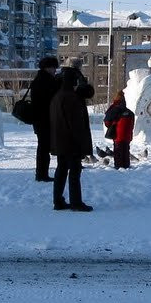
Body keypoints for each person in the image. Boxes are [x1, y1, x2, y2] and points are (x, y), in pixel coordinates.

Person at [50, 68, 94, 211]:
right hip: (71, 142)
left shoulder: (58, 96)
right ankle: (76, 202)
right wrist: (80, 144)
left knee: (61, 170)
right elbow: (76, 124)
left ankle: (58, 200)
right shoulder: (71, 98)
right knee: (74, 172)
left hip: (60, 141)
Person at [28, 57, 61, 182]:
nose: (55, 70)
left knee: (43, 148)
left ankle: (41, 173)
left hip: (40, 120)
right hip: (44, 120)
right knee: (44, 148)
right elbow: (50, 98)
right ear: (48, 67)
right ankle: (42, 174)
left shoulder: (39, 79)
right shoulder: (45, 81)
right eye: (53, 67)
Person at [103, 90, 135, 169]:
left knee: (118, 152)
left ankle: (118, 168)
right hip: (127, 136)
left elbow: (107, 122)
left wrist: (112, 126)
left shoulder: (114, 109)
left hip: (118, 135)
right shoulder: (130, 112)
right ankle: (126, 166)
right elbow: (132, 124)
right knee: (126, 151)